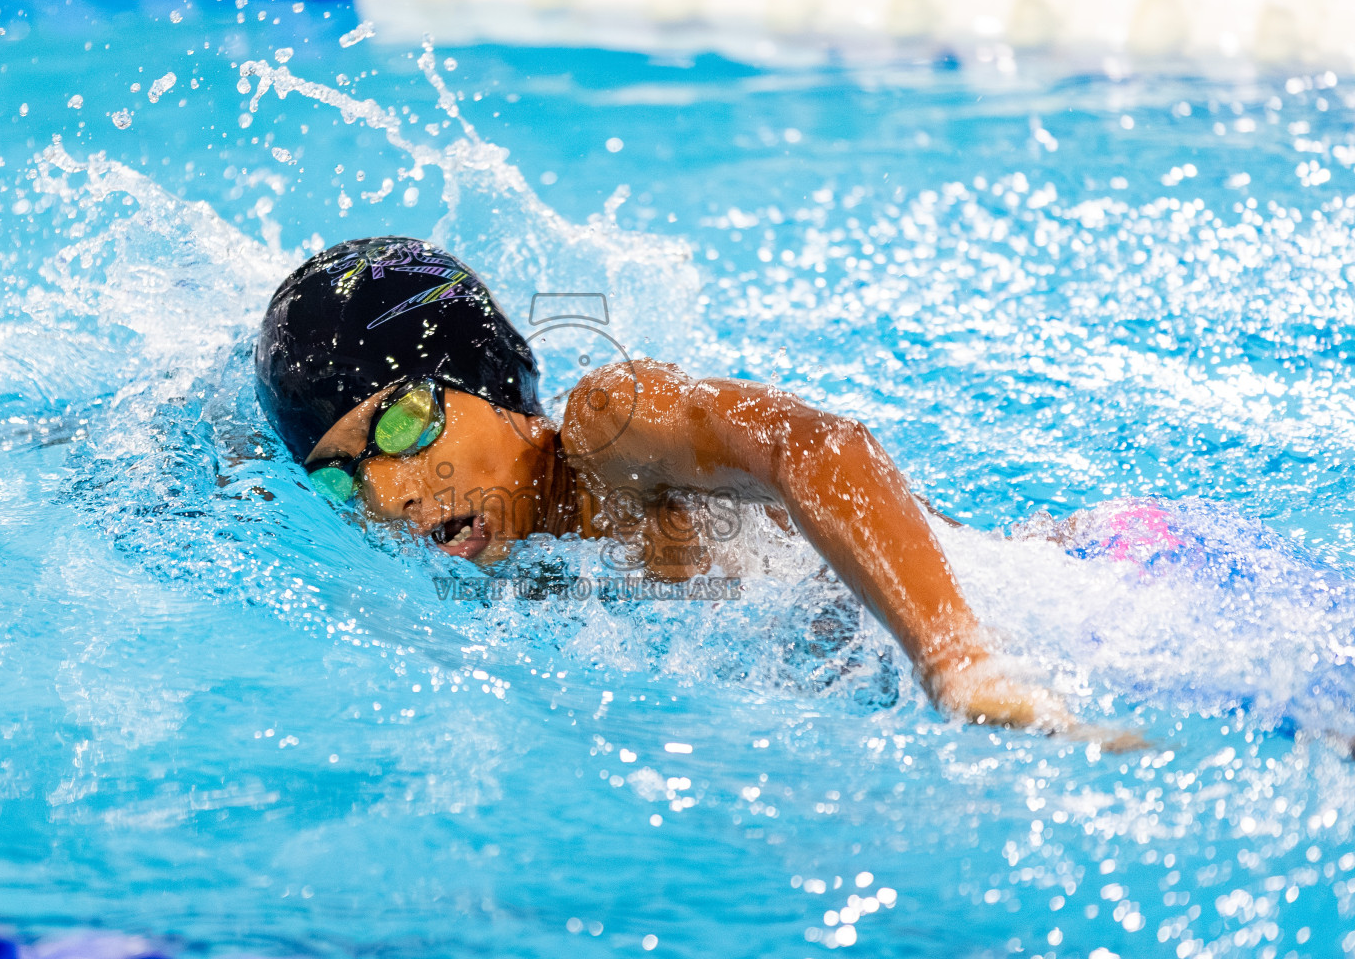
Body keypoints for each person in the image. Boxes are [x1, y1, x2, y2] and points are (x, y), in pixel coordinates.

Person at [256, 235, 1130, 743]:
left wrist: (958, 661)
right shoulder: (512, 568)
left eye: (405, 426)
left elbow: (818, 446)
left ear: (492, 380)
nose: (392, 495)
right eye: (344, 479)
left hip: (1087, 599)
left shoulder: (607, 433)